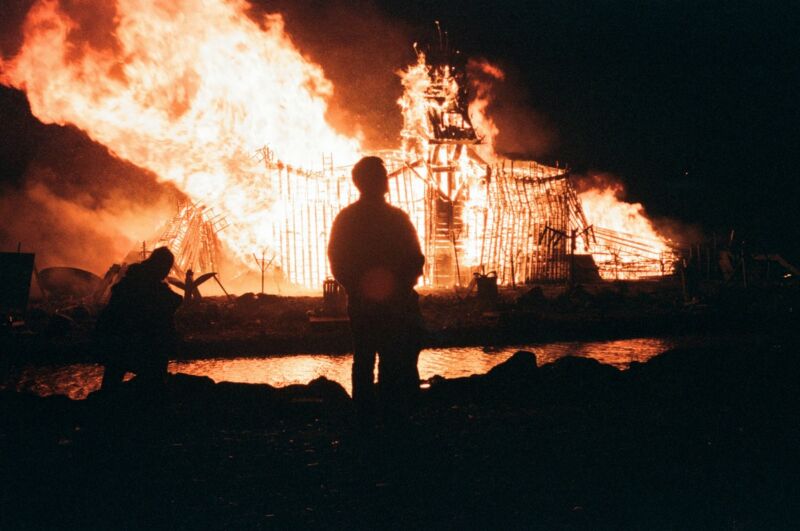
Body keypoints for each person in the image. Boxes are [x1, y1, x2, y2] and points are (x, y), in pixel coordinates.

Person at [328, 156, 425, 417]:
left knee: (365, 361)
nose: (386, 179)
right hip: (391, 305)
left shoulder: (347, 219)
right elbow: (416, 258)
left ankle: (365, 420)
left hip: (366, 305)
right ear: (372, 182)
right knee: (390, 360)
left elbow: (337, 261)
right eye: (381, 174)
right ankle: (390, 420)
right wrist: (401, 288)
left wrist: (356, 289)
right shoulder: (396, 219)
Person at [96, 247, 182, 391]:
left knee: (113, 375)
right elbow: (172, 301)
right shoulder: (150, 285)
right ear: (162, 266)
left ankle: (106, 404)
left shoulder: (130, 280)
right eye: (167, 268)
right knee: (154, 375)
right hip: (138, 341)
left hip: (117, 340)